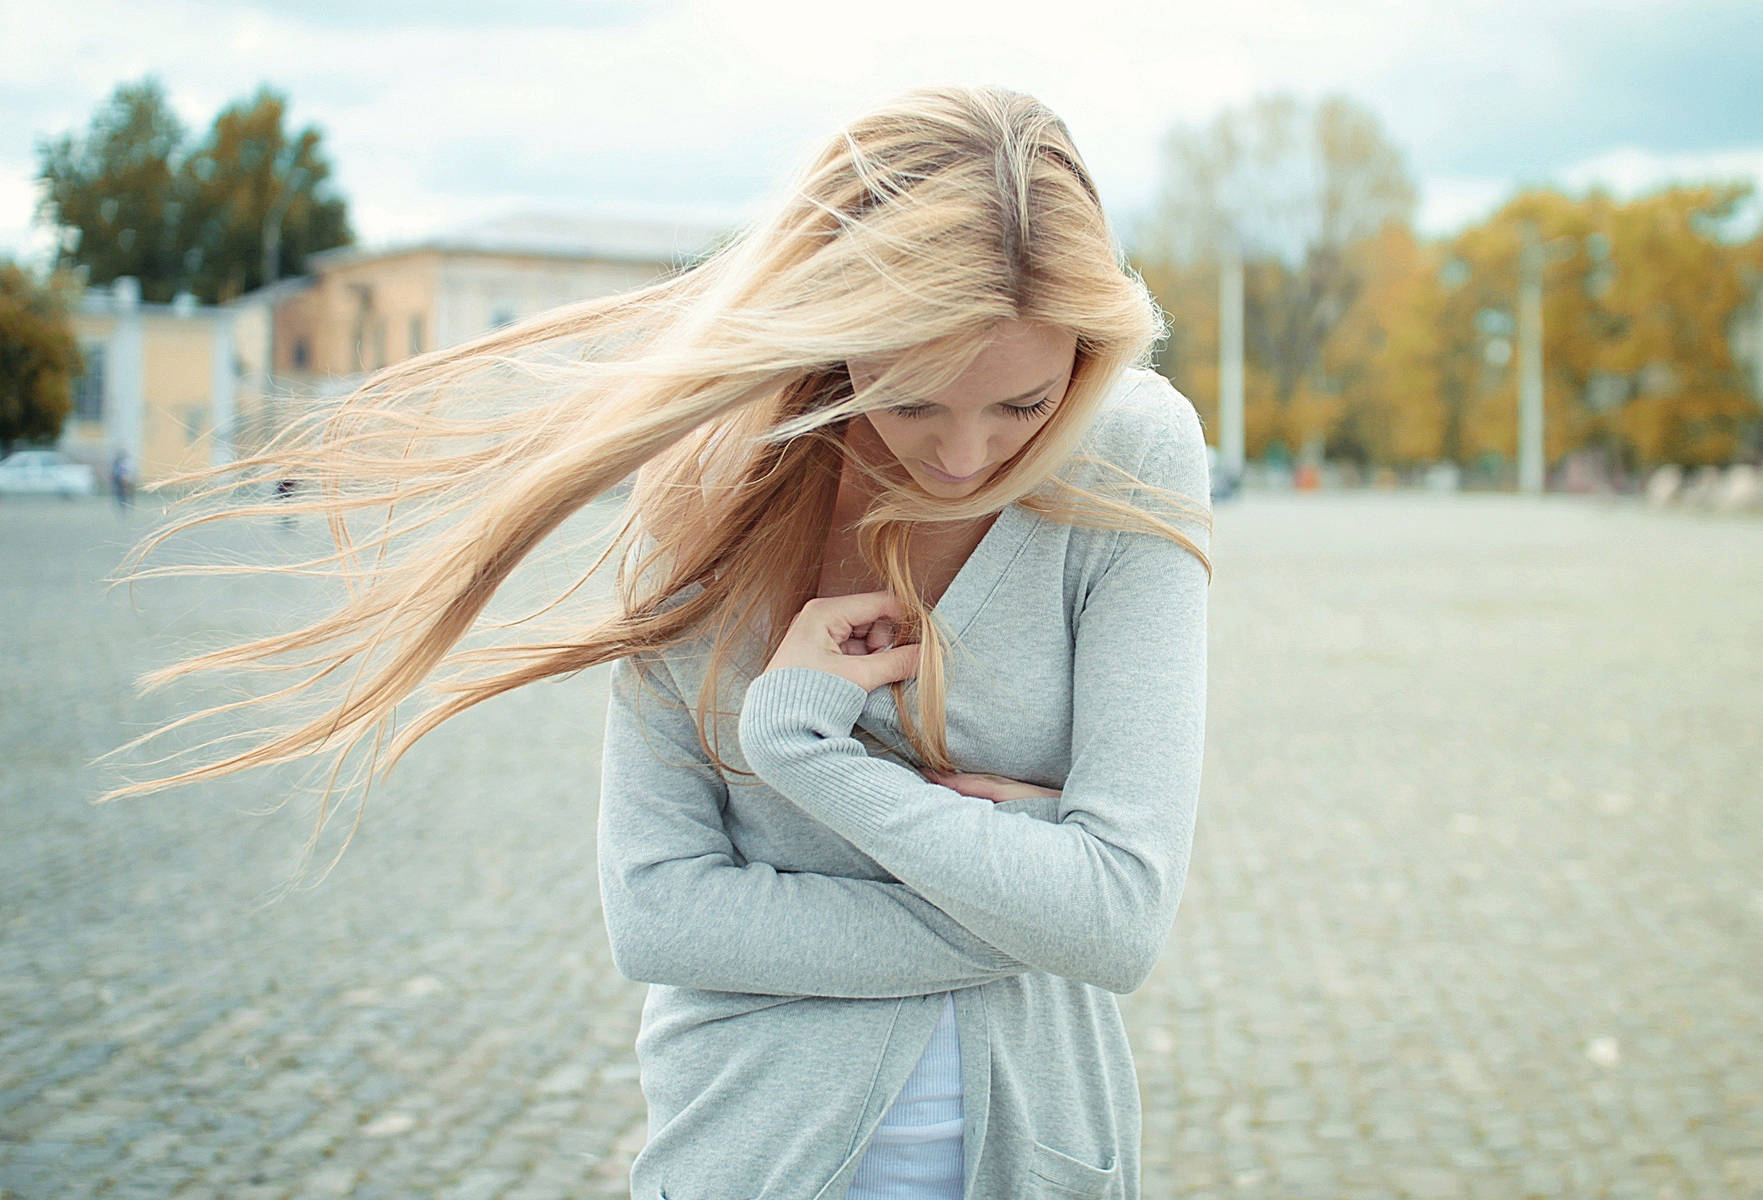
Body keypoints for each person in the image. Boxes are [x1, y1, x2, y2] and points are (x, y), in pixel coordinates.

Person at [103, 84, 1211, 1200]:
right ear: (839, 332)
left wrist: (809, 759)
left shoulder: (1133, 452)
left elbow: (1117, 920)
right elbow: (661, 912)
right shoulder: (709, 481)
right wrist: (1030, 897)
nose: (967, 456)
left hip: (1041, 1153)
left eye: (1023, 406)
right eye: (913, 396)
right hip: (747, 1157)